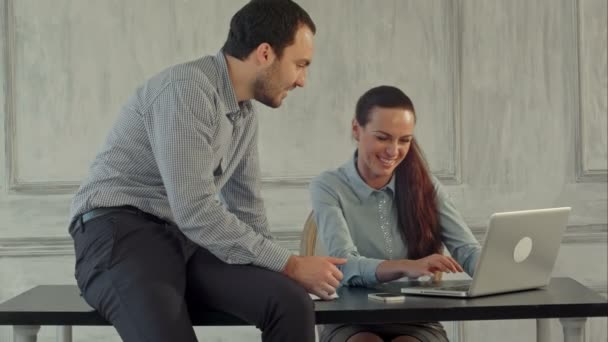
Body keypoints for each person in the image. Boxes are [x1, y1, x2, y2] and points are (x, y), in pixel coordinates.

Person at [68, 1, 346, 341]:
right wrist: (291, 263)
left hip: (182, 239)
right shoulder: (187, 89)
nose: (302, 80)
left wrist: (279, 272)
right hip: (118, 234)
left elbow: (247, 208)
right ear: (265, 53)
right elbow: (196, 208)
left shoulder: (243, 115)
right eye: (300, 64)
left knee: (289, 301)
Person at [310, 85, 482, 342]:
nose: (393, 151)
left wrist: (503, 273)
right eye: (383, 137)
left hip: (416, 320)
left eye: (404, 140)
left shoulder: (426, 186)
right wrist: (408, 267)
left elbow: (467, 250)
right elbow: (344, 265)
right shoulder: (329, 186)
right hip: (349, 319)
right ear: (356, 129)